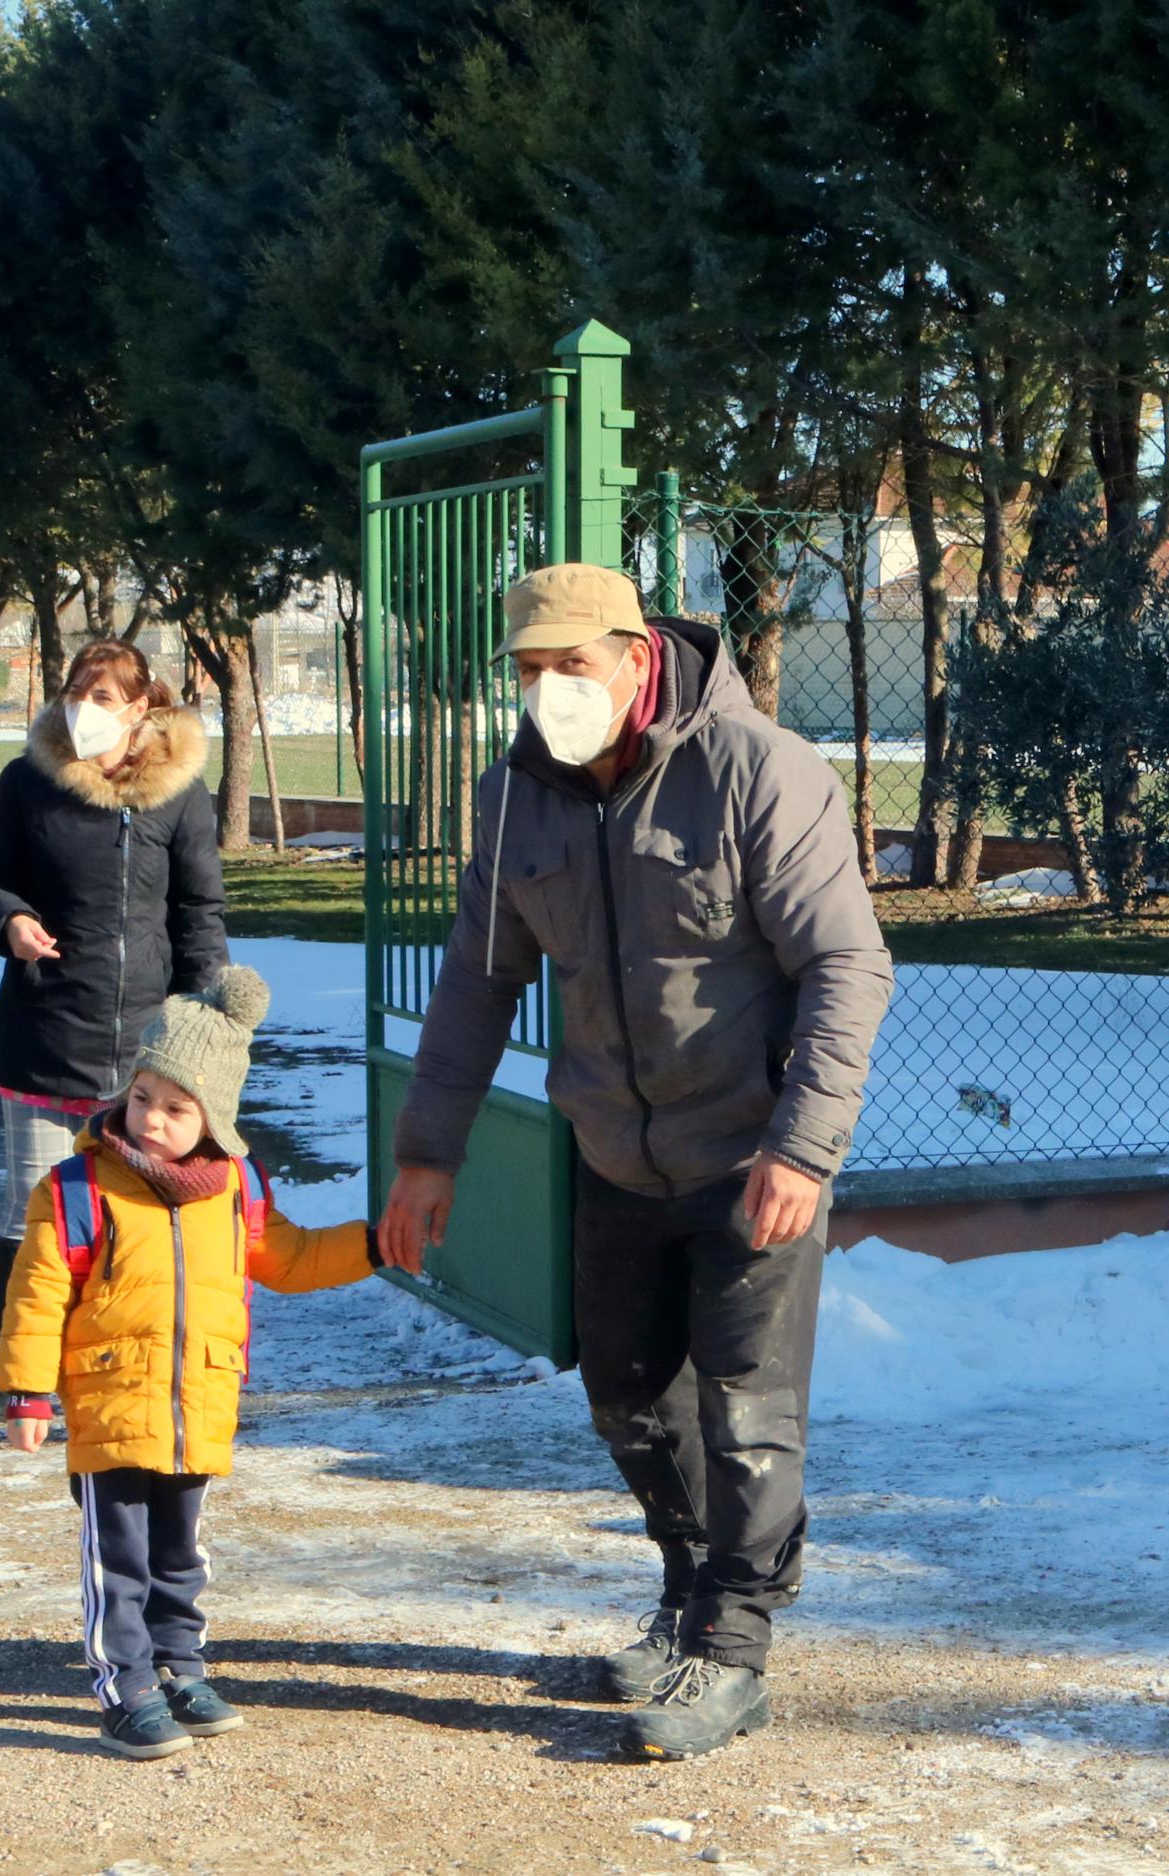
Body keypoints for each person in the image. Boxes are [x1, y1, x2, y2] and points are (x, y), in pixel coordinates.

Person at [375, 563, 893, 1762]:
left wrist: (803, 1146)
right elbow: (476, 980)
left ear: (634, 652)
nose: (549, 688)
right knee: (627, 1399)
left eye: (571, 663)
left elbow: (847, 969)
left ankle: (734, 1645)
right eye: (527, 668)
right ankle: (687, 1586)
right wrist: (425, 1154)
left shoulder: (760, 771)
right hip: (615, 1155)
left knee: (748, 1414)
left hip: (751, 1154)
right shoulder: (518, 800)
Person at [0, 966, 380, 1758]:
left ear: (216, 1117)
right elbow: (34, 1298)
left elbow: (292, 1258)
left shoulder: (235, 1188)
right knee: (120, 1558)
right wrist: (28, 1391)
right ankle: (124, 1684)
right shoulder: (76, 1189)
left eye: (176, 1108)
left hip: (197, 1401)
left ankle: (180, 1666)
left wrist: (377, 1245)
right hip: (109, 1405)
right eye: (142, 1098)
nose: (152, 1119)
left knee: (181, 1555)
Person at [0, 640, 227, 1426]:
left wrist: (204, 1015)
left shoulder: (179, 794)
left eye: (106, 695)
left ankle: (134, 1365)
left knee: (144, 1220)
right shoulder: (27, 781)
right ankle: (19, 1379)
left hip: (147, 1052)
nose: (86, 707)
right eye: (78, 690)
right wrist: (10, 920)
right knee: (33, 1215)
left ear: (143, 708)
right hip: (45, 1034)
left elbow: (199, 911)